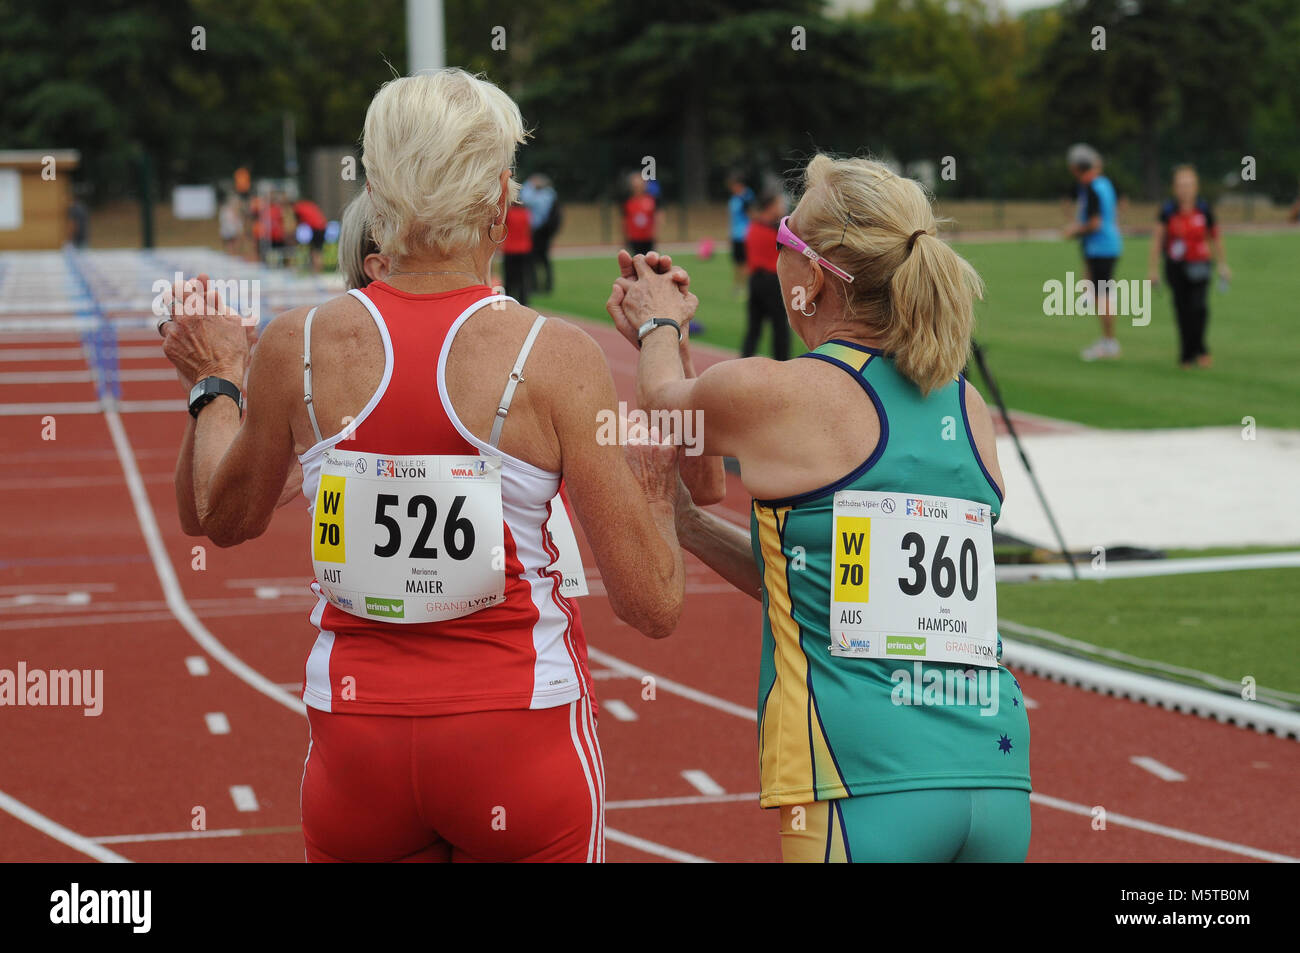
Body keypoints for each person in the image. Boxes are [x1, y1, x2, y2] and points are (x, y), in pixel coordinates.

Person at [158, 68, 717, 863]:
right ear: (499, 196)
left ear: (376, 186)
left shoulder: (298, 344)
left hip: (359, 754)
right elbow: (653, 602)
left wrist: (215, 383)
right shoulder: (553, 355)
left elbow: (219, 515)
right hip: (520, 742)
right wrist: (658, 487)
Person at [607, 154, 1032, 863]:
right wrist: (689, 526)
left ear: (815, 274)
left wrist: (658, 323)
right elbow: (834, 588)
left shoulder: (789, 392)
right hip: (993, 773)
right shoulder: (967, 405)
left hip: (856, 775)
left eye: (782, 243)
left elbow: (665, 407)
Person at [1147, 165, 1230, 369]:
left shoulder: (1204, 208)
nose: (1185, 189)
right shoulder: (1167, 210)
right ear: (1174, 188)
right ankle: (1186, 354)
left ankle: (1200, 348)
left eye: (1189, 185)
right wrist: (1153, 270)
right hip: (1176, 266)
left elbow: (1215, 237)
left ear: (1196, 187)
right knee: (1182, 309)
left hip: (1200, 264)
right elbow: (1157, 240)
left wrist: (1222, 264)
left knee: (1199, 308)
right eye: (1181, 185)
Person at [1063, 144, 1123, 361]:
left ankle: (1109, 342)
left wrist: (1074, 230)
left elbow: (1095, 223)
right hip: (1105, 246)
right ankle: (1108, 341)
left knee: (1102, 296)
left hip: (1101, 248)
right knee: (1097, 291)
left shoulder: (1091, 187)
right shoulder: (1104, 183)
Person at [741, 191, 790, 361]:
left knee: (754, 328)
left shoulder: (753, 226)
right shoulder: (776, 230)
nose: (783, 208)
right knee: (780, 328)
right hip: (772, 282)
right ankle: (783, 366)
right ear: (771, 207)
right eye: (779, 204)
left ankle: (743, 363)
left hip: (755, 280)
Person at [520, 173, 560, 293]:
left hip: (541, 232)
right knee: (535, 260)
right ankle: (535, 285)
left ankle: (544, 285)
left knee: (541, 260)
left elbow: (526, 199)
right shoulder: (544, 194)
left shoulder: (547, 195)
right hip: (536, 232)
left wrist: (529, 185)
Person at [501, 200, 533, 304]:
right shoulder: (526, 213)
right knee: (523, 277)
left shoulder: (509, 213)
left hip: (510, 249)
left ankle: (509, 299)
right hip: (524, 249)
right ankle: (524, 300)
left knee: (509, 277)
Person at [727, 172, 754, 294]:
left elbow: (752, 214)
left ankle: (747, 286)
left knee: (745, 263)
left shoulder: (746, 197)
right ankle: (738, 286)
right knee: (737, 263)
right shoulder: (734, 198)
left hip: (745, 235)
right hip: (735, 235)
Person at [623, 174, 659, 256]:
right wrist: (625, 237)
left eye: (639, 185)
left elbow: (656, 217)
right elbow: (625, 220)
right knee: (637, 261)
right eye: (635, 186)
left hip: (648, 238)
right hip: (634, 239)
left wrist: (655, 233)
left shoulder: (651, 200)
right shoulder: (629, 202)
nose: (637, 188)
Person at [292, 196, 329, 273]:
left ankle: (316, 270)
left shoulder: (297, 208)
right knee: (318, 250)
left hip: (315, 228)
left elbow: (297, 221)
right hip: (323, 226)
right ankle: (318, 269)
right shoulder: (309, 205)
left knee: (315, 250)